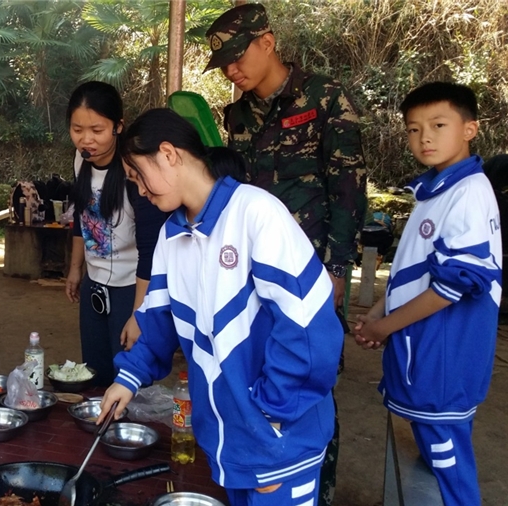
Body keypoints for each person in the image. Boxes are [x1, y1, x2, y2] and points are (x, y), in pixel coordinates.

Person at [98, 108, 342, 506]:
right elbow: (157, 322)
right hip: (230, 440)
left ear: (169, 154)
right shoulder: (171, 235)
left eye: (139, 175)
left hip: (279, 440)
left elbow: (309, 327)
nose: (140, 190)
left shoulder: (256, 214)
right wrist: (128, 378)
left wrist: (270, 411)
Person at [204, 4, 368, 502]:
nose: (233, 70)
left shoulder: (324, 98)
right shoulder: (237, 115)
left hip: (310, 268)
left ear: (268, 42)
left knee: (311, 374)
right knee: (257, 363)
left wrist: (338, 267)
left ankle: (318, 482)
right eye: (224, 64)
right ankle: (262, 468)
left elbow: (348, 188)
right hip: (250, 269)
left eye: (238, 56)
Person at [354, 82, 501, 506]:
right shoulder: (435, 192)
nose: (426, 138)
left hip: (444, 361)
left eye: (439, 125)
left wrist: (383, 326)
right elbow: (410, 271)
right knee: (434, 462)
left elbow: (452, 285)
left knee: (452, 471)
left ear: (470, 128)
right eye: (414, 130)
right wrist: (378, 310)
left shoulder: (470, 194)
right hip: (425, 355)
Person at [64, 81, 168, 387]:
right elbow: (81, 216)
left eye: (97, 130)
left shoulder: (134, 169)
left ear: (118, 126)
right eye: (77, 129)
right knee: (94, 376)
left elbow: (150, 248)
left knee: (129, 375)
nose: (86, 140)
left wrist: (139, 314)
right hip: (94, 286)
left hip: (131, 290)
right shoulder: (80, 159)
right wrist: (75, 269)